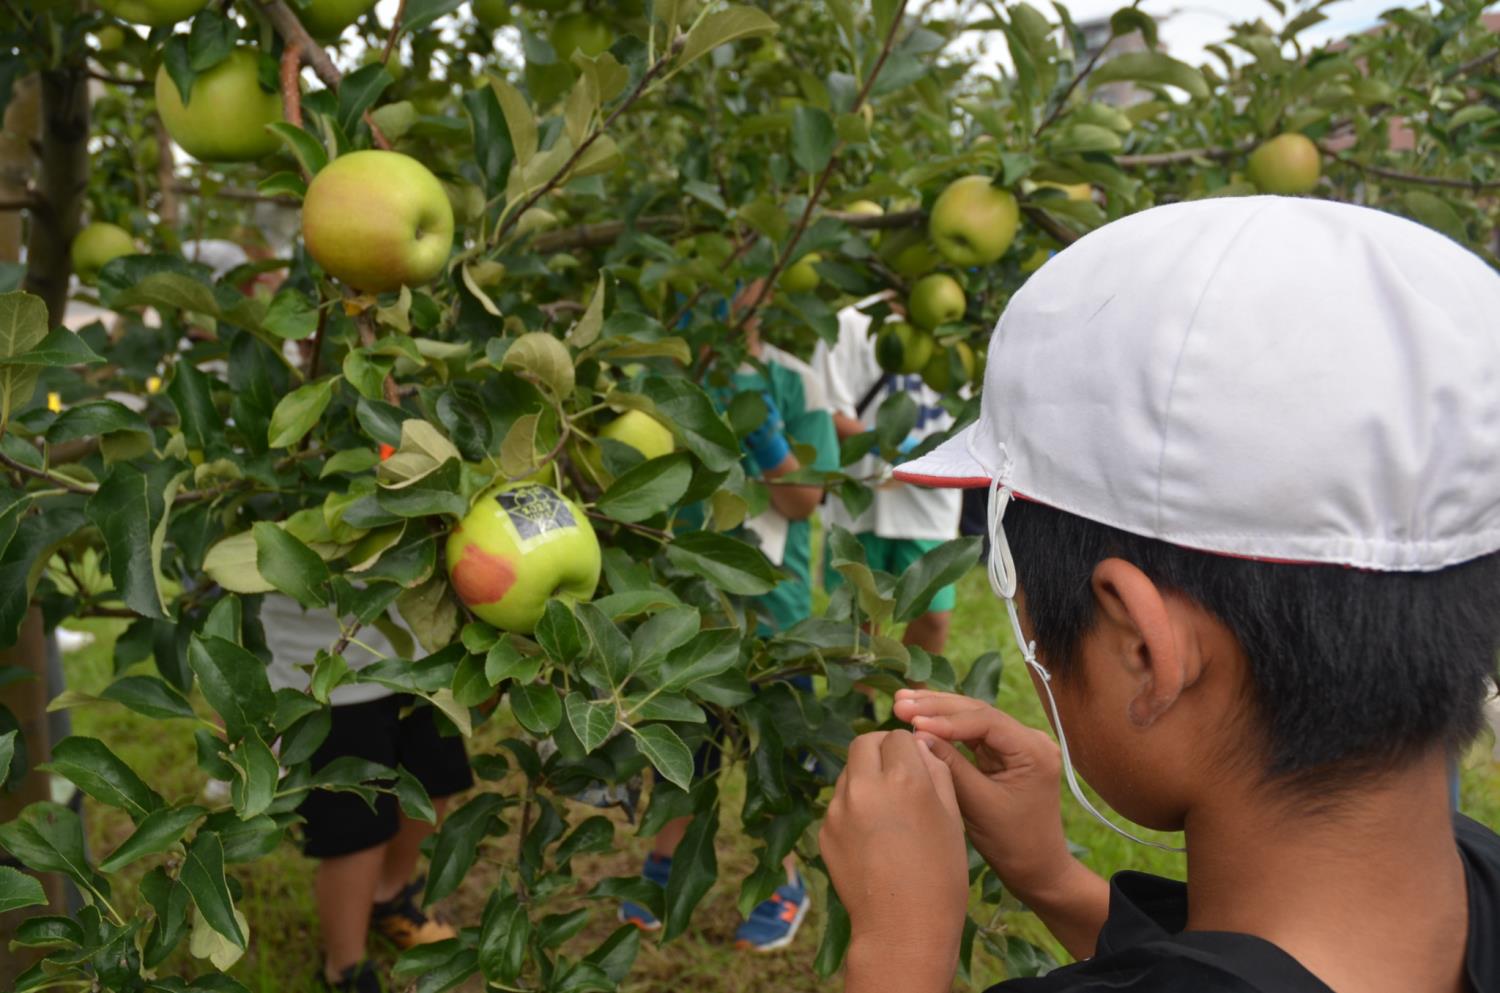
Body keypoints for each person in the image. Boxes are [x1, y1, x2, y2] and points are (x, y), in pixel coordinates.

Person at [818, 197, 1500, 993]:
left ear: (1142, 650)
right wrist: (1054, 880)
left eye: (1016, 583)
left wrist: (897, 951)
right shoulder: (1472, 869)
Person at [619, 278, 839, 951]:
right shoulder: (666, 378)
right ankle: (668, 860)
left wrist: (760, 414)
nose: (737, 291)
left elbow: (804, 498)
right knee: (689, 745)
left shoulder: (796, 380)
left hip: (774, 608)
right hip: (687, 606)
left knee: (777, 754)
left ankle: (783, 875)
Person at [259, 596, 474, 993]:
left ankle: (387, 896)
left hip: (424, 651)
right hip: (324, 673)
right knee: (353, 834)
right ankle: (346, 968)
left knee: (433, 783)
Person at [812, 293, 963, 653]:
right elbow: (824, 411)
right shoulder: (851, 323)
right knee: (858, 624)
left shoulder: (961, 333)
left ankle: (913, 707)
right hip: (861, 498)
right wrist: (889, 445)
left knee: (933, 616)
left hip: (930, 501)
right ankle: (859, 705)